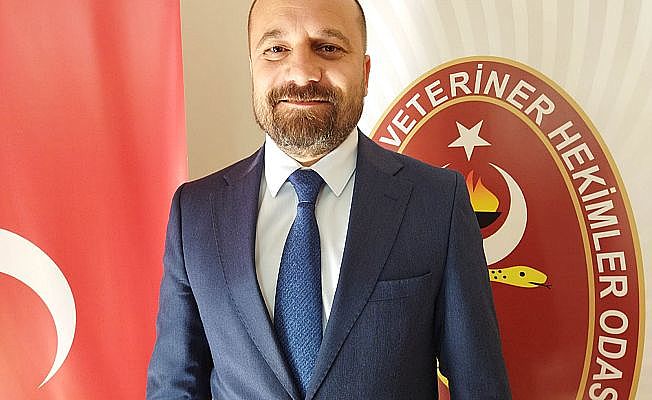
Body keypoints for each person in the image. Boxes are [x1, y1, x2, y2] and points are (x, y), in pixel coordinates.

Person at [146, 0, 511, 398]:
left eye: (328, 48)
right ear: (252, 67)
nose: (302, 72)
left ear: (365, 74)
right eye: (276, 49)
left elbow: (481, 387)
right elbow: (175, 386)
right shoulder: (195, 213)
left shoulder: (438, 202)